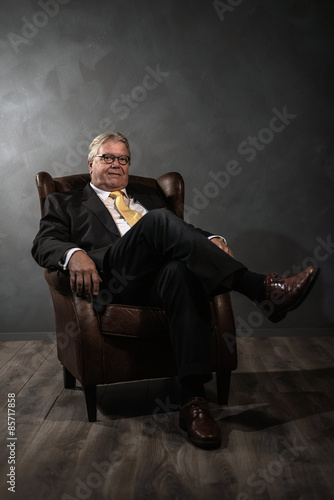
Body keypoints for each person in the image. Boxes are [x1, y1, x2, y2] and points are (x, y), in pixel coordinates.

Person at [32, 131, 320, 450]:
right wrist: (75, 254)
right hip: (112, 280)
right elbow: (44, 243)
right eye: (107, 157)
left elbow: (183, 232)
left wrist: (212, 241)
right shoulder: (65, 201)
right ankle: (259, 287)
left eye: (123, 158)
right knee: (157, 222)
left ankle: (192, 401)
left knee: (181, 272)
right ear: (90, 163)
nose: (116, 164)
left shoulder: (148, 194)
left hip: (158, 283)